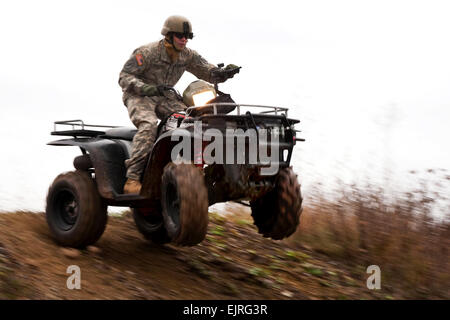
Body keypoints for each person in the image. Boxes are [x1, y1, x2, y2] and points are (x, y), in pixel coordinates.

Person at [118, 15, 236, 194]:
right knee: (148, 126)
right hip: (140, 95)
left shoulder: (187, 55)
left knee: (194, 121)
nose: (184, 40)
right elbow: (124, 77)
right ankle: (132, 179)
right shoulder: (148, 53)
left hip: (165, 96)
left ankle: (193, 168)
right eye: (180, 36)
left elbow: (206, 70)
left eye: (187, 37)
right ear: (169, 35)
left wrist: (223, 73)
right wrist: (147, 88)